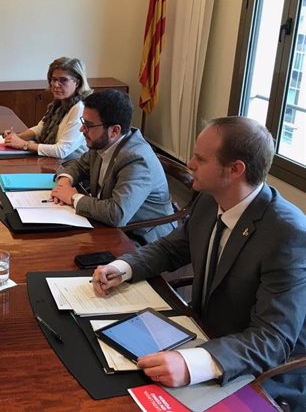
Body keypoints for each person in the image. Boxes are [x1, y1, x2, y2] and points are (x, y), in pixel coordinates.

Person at [92, 117, 306, 410]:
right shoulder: (210, 199)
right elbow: (173, 247)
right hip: (200, 330)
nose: (189, 163)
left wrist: (194, 363)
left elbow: (272, 339)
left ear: (235, 170)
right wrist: (124, 267)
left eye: (200, 158)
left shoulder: (288, 234)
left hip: (253, 369)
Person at [51, 89, 174, 244]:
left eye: (88, 125)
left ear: (115, 130)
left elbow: (117, 214)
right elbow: (79, 165)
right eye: (83, 123)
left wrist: (72, 197)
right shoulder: (102, 142)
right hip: (110, 225)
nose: (82, 130)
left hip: (141, 237)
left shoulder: (136, 159)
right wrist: (64, 181)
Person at [2, 57, 92, 160]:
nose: (56, 85)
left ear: (77, 83)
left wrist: (24, 144)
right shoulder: (58, 104)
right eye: (54, 79)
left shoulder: (79, 108)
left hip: (69, 166)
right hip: (53, 161)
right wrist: (18, 137)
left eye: (63, 80)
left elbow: (62, 151)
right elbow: (41, 128)